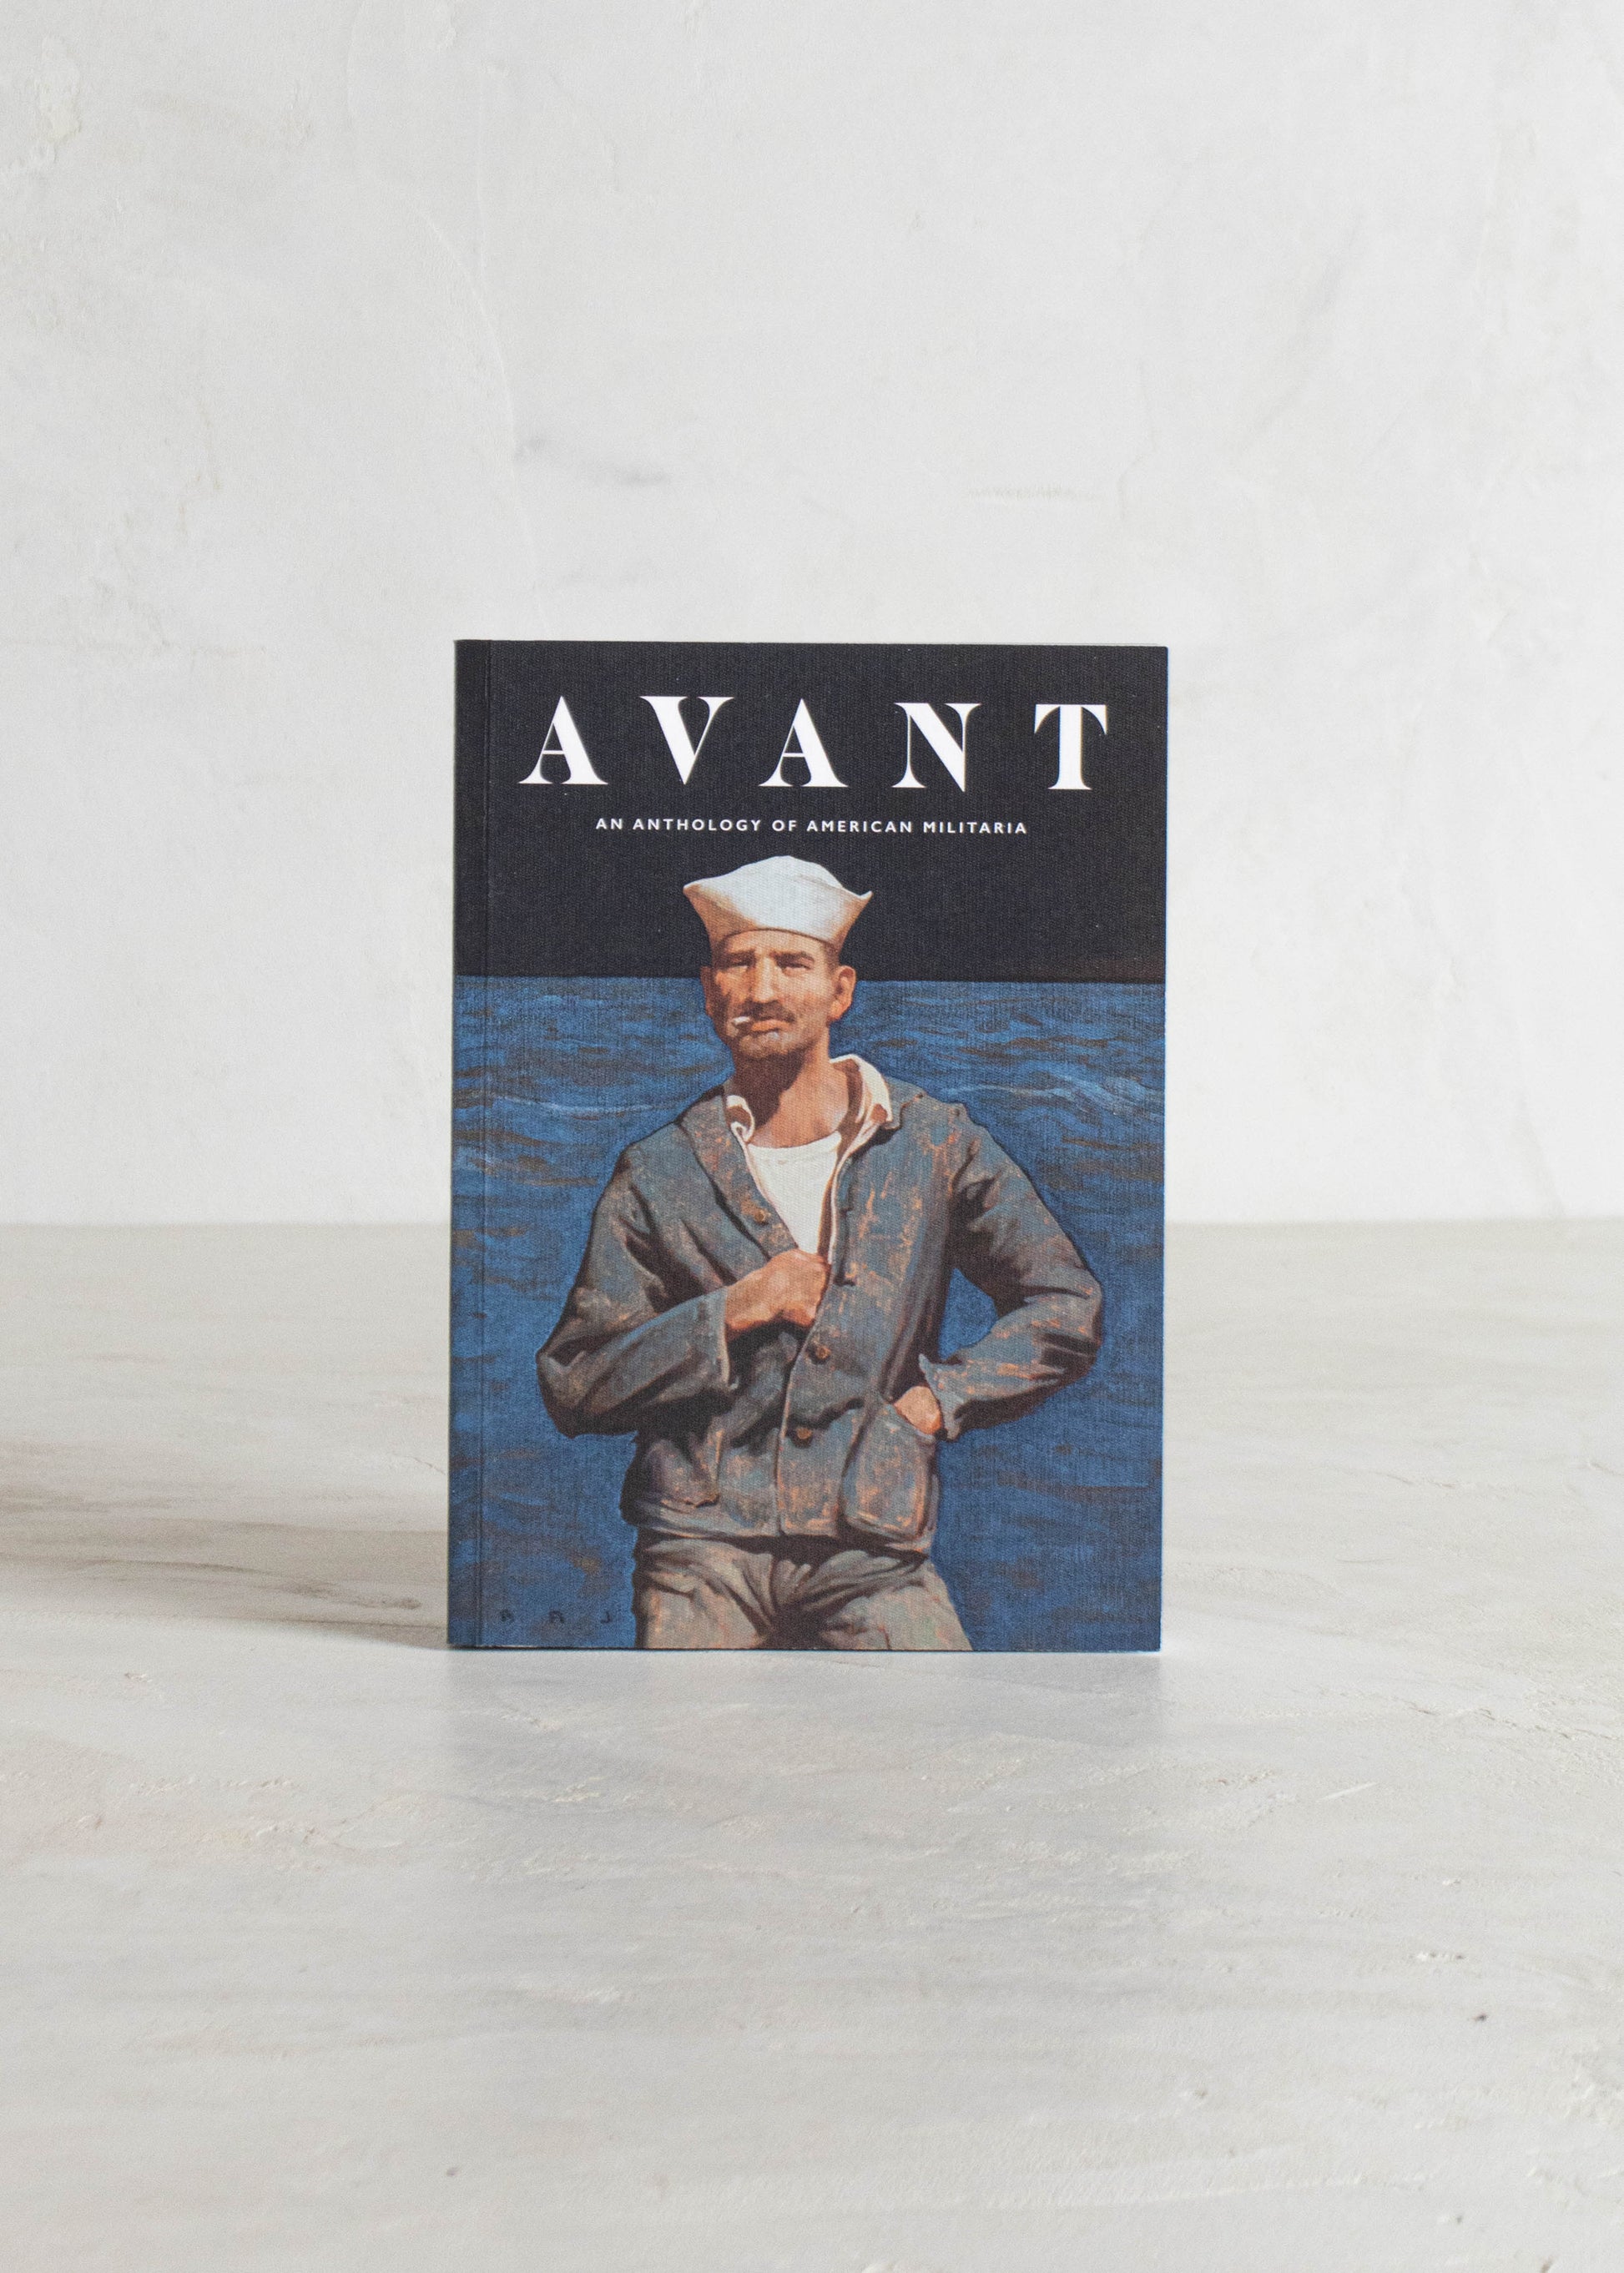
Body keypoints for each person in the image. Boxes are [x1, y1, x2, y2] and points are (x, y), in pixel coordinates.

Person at [536, 855, 1103, 1650]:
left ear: (841, 991)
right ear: (710, 992)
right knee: (685, 1729)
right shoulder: (658, 1171)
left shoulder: (935, 1144)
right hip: (700, 1554)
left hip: (875, 1548)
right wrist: (735, 1311)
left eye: (792, 964)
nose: (763, 989)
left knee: (942, 1720)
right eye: (740, 964)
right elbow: (575, 1382)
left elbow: (1066, 1307)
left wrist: (939, 1400)